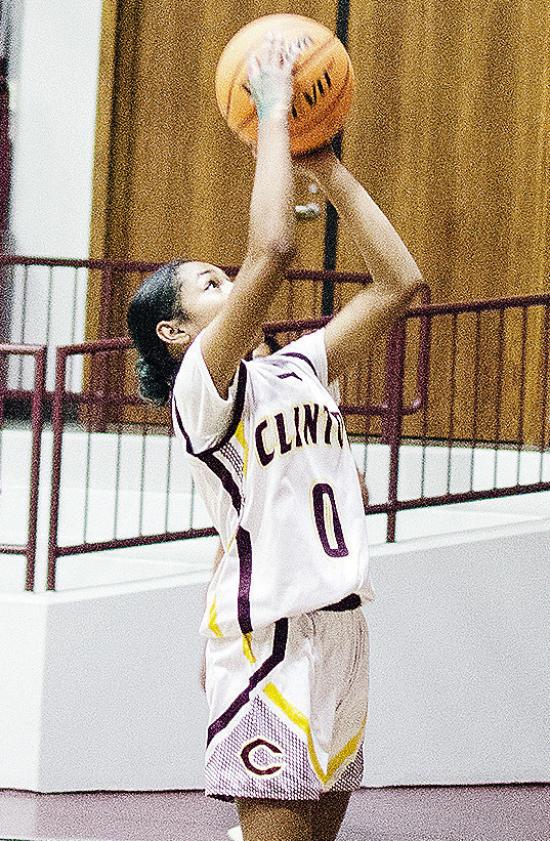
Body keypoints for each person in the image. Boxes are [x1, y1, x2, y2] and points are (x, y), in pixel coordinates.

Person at [127, 32, 424, 841]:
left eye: (228, 275)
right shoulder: (202, 391)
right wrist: (269, 117)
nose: (233, 278)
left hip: (343, 631)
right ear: (176, 332)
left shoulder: (300, 366)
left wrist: (326, 165)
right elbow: (276, 248)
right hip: (272, 642)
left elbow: (401, 282)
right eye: (210, 285)